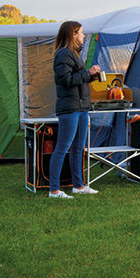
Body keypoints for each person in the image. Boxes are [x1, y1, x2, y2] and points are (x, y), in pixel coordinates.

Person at [49, 21, 100, 199]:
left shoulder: (73, 54)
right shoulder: (63, 54)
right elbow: (66, 80)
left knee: (79, 148)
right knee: (62, 147)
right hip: (70, 108)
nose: (84, 36)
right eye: (81, 33)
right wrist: (88, 72)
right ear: (73, 34)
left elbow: (77, 80)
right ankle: (54, 190)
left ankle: (78, 186)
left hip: (81, 106)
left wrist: (91, 76)